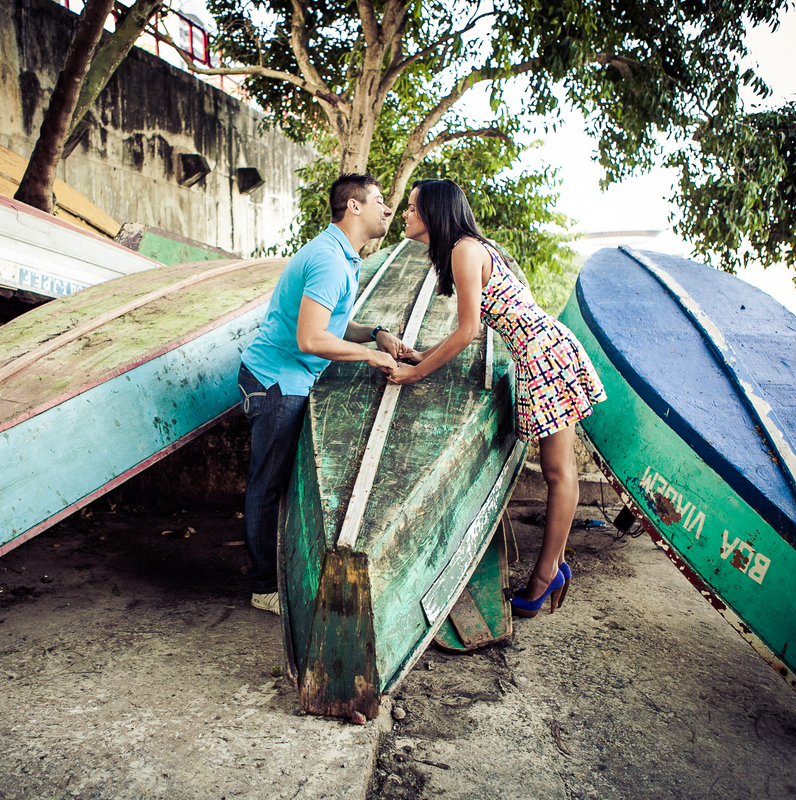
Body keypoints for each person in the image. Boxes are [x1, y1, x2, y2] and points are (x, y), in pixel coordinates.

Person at [387, 179, 607, 617]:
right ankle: (555, 567)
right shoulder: (467, 248)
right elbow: (470, 329)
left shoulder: (464, 251)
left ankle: (547, 573)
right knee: (557, 472)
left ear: (434, 213)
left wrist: (415, 372)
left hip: (543, 354)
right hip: (540, 352)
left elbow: (469, 331)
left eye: (412, 208)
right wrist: (422, 353)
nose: (405, 215)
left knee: (558, 472)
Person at [238, 173, 409, 615]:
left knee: (276, 485)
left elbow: (332, 325)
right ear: (353, 207)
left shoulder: (341, 256)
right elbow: (312, 339)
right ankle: (263, 588)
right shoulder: (330, 260)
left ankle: (275, 575)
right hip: (277, 382)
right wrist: (370, 358)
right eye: (378, 201)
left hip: (288, 377)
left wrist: (375, 334)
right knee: (266, 488)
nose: (387, 210)